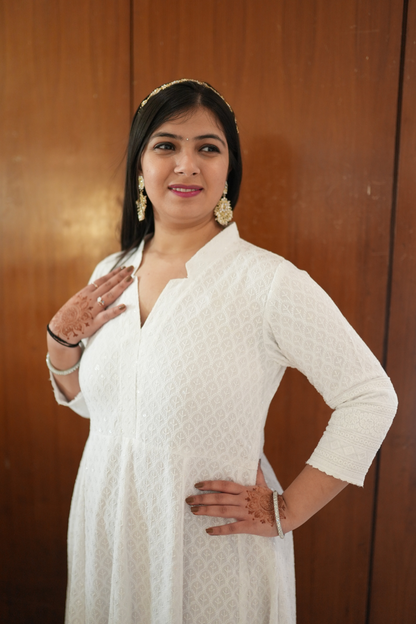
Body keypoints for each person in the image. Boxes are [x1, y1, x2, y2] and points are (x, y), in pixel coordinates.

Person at [46, 79, 397, 624]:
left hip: (208, 549)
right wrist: (61, 344)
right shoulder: (111, 273)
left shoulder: (268, 283)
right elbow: (105, 410)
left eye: (207, 148)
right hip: (108, 530)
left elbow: (370, 396)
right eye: (166, 145)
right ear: (140, 165)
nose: (187, 164)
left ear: (228, 169)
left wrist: (287, 509)